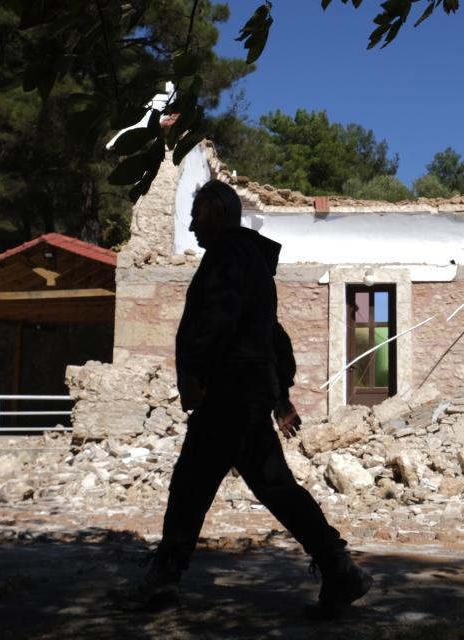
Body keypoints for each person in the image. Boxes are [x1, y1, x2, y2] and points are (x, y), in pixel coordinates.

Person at [118, 180, 371, 618]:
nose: (192, 226)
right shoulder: (251, 261)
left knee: (191, 484)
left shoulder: (229, 257)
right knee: (275, 487)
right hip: (247, 395)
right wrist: (278, 397)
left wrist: (197, 370)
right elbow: (273, 337)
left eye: (196, 215)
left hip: (229, 393)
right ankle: (338, 568)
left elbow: (217, 322)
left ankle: (164, 577)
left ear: (217, 212)